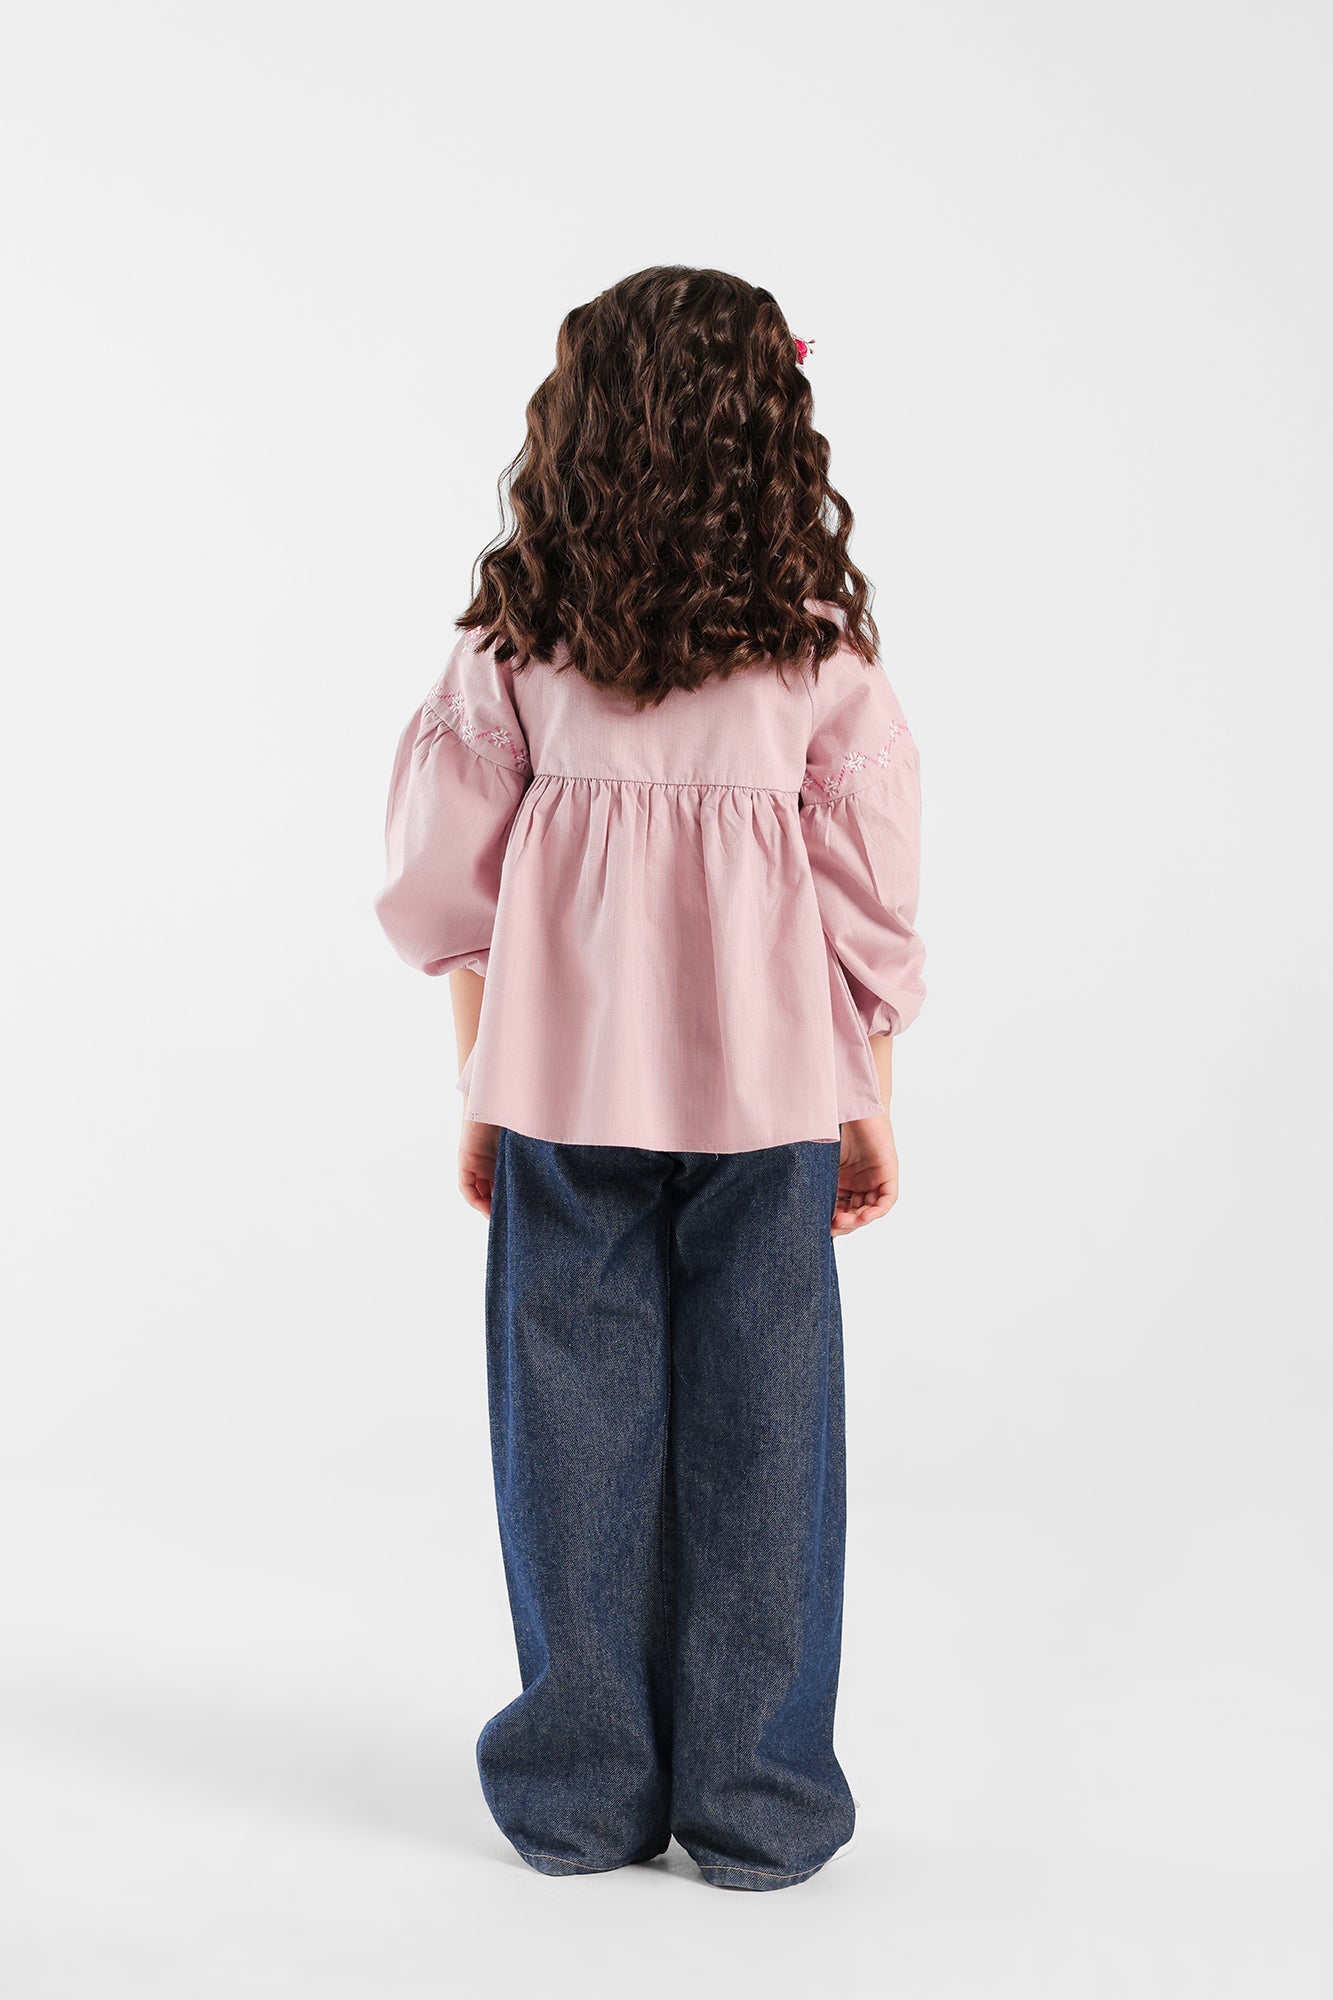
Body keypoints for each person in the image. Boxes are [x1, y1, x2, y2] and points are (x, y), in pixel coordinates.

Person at [374, 265, 926, 1891]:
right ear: (774, 432)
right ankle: (757, 1802)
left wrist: (481, 1085)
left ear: (579, 425)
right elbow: (869, 902)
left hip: (561, 1092)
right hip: (772, 1102)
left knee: (568, 1431)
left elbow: (446, 893)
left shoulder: (517, 647)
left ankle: (577, 1795)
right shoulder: (817, 657)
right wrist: (868, 1095)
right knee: (768, 1432)